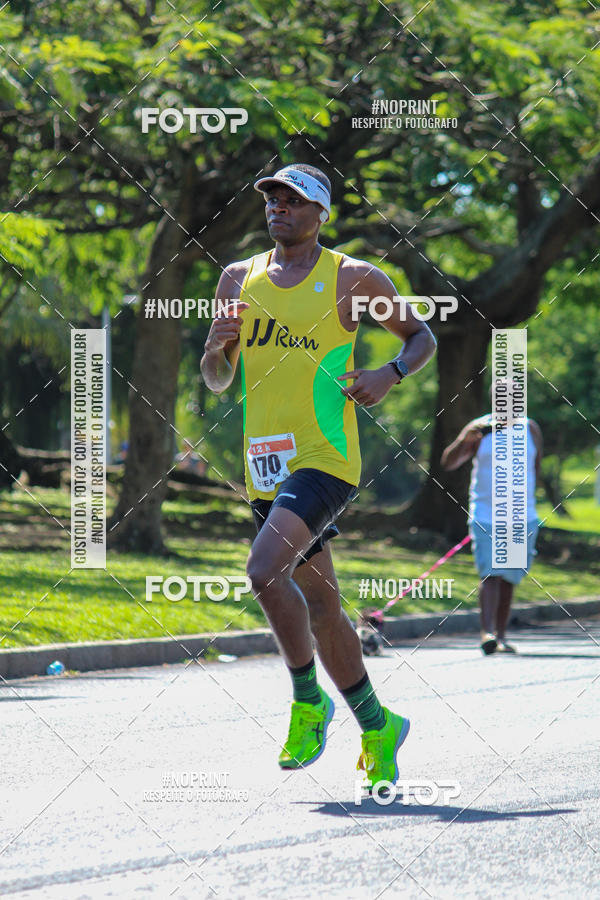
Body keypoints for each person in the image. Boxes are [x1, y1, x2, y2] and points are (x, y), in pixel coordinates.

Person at [201, 163, 436, 790]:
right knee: (327, 609)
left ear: (321, 212)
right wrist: (215, 350)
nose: (280, 206)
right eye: (272, 197)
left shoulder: (354, 278)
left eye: (294, 199)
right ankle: (378, 724)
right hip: (264, 464)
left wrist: (390, 374)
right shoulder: (236, 278)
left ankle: (308, 700)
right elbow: (218, 380)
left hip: (327, 456)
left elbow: (421, 337)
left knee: (262, 571)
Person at [441, 386, 543, 655]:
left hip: (522, 515)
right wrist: (465, 439)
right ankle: (486, 633)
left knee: (510, 576)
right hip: (486, 513)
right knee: (490, 573)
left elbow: (536, 468)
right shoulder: (479, 429)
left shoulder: (530, 429)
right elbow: (449, 462)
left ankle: (500, 635)